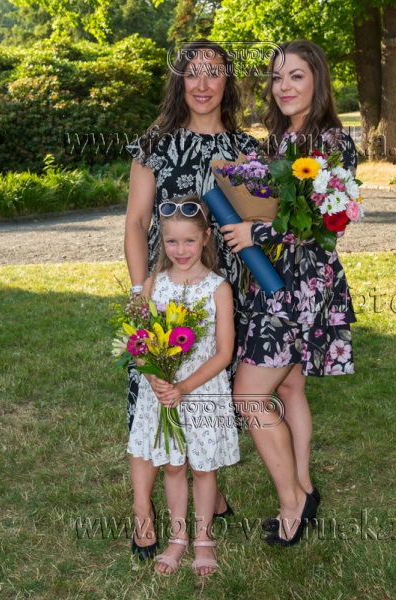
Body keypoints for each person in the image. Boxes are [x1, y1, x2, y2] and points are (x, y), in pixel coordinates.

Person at [124, 39, 260, 557]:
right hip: (160, 293)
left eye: (214, 73)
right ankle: (143, 513)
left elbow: (259, 225)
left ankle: (210, 488)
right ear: (179, 81)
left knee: (208, 396)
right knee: (150, 395)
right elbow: (137, 222)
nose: (203, 84)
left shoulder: (246, 149)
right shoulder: (155, 144)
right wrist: (139, 294)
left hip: (222, 295)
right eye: (192, 73)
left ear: (228, 81)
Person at [220, 40, 357, 546]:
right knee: (288, 386)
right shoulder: (278, 143)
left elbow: (325, 222)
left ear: (317, 79)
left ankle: (291, 504)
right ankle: (305, 487)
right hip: (273, 280)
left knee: (249, 395)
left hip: (301, 287)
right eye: (277, 77)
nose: (284, 87)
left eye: (296, 76)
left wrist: (255, 234)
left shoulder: (333, 142)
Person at [127, 195, 239, 575]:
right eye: (172, 241)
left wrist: (185, 387)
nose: (181, 250)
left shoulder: (218, 289)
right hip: (162, 394)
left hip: (202, 391)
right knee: (173, 467)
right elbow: (139, 342)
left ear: (206, 237)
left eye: (189, 240)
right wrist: (153, 376)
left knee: (204, 468)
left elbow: (224, 353)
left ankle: (204, 539)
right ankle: (178, 539)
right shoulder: (152, 285)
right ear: (162, 241)